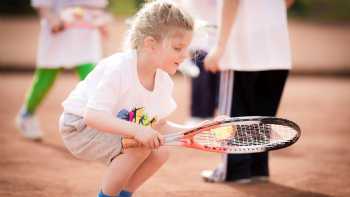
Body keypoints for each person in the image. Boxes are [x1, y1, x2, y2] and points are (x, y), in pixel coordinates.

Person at [59, 1, 194, 196]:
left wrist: (198, 130)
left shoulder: (163, 80)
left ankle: (123, 194)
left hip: (110, 125)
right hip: (78, 127)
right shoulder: (119, 68)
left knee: (160, 152)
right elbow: (92, 116)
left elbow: (158, 126)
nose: (186, 55)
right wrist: (138, 130)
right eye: (177, 48)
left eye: (186, 48)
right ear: (150, 44)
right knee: (140, 146)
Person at [201, 0, 293, 183]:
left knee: (234, 114)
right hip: (277, 48)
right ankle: (258, 168)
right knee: (263, 115)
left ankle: (235, 170)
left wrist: (220, 46)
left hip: (242, 49)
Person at [16, 0, 109, 140]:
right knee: (45, 80)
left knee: (93, 79)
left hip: (85, 39)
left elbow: (98, 9)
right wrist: (54, 21)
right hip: (58, 36)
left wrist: (101, 22)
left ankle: (97, 124)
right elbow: (43, 6)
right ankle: (26, 115)